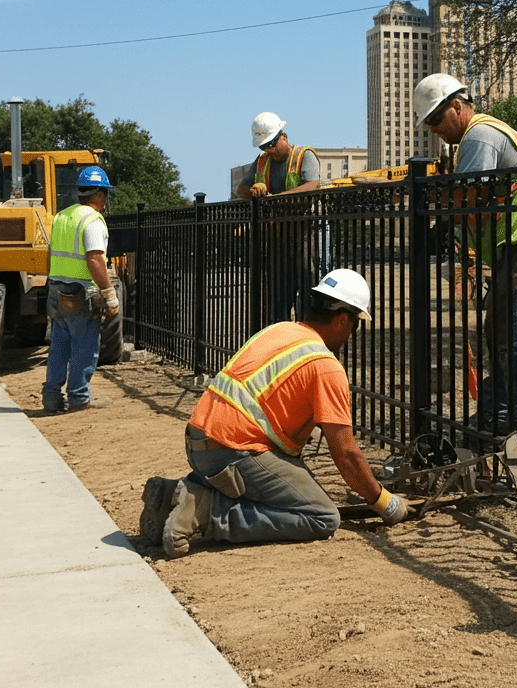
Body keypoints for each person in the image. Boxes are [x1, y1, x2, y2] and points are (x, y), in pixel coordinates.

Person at [138, 269, 411, 558]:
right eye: (355, 324)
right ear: (343, 319)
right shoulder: (324, 364)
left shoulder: (279, 330)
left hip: (198, 443)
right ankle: (207, 513)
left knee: (282, 482)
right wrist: (383, 502)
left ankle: (174, 493)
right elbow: (345, 454)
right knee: (322, 516)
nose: (351, 333)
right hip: (233, 454)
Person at [412, 73, 517, 434]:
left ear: (457, 107)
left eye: (435, 119)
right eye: (428, 123)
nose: (433, 128)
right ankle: (496, 417)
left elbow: (468, 196)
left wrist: (429, 197)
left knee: (515, 339)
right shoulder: (472, 139)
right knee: (498, 335)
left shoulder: (479, 134)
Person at [41, 166, 120, 413]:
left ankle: (52, 398)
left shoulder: (62, 217)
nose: (106, 199)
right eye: (106, 193)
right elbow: (95, 259)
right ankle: (79, 397)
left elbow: (49, 255)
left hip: (56, 288)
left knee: (59, 345)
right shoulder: (93, 220)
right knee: (84, 344)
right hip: (79, 291)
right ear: (100, 194)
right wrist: (109, 294)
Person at [235, 111, 321, 321]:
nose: (269, 150)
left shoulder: (303, 155)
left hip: (304, 233)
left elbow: (312, 186)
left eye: (271, 144)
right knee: (277, 295)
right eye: (264, 146)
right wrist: (254, 189)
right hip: (276, 235)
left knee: (308, 288)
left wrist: (274, 199)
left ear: (284, 136)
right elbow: (242, 190)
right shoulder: (262, 160)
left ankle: (306, 334)